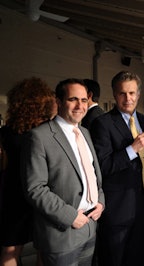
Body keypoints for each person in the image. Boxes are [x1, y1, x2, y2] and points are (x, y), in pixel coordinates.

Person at [20, 78, 105, 266]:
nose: (79, 106)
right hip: (62, 234)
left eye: (83, 100)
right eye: (72, 99)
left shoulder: (85, 133)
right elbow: (35, 189)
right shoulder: (39, 137)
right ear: (58, 102)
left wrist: (100, 200)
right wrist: (71, 217)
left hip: (90, 226)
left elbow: (91, 173)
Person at [90, 71, 144, 266]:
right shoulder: (102, 124)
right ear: (114, 94)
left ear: (138, 94)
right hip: (117, 210)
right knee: (114, 260)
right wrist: (132, 149)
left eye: (132, 93)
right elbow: (102, 166)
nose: (128, 98)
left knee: (138, 260)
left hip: (143, 206)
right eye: (122, 93)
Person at [0, 77, 56, 266]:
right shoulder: (46, 131)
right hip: (40, 192)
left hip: (11, 193)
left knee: (10, 249)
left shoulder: (8, 131)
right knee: (43, 248)